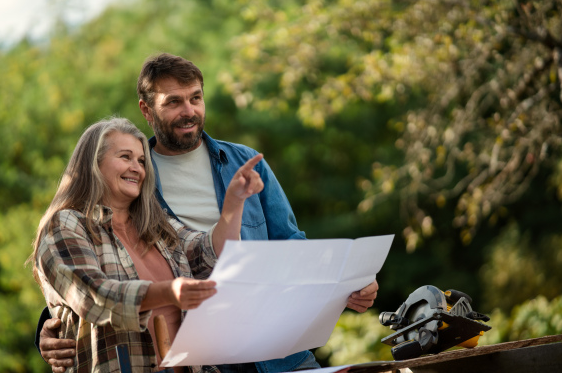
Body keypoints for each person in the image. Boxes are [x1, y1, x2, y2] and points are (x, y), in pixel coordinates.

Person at [38, 53, 380, 373]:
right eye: (173, 102)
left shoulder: (241, 164)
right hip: (207, 357)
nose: (188, 111)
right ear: (147, 110)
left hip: (277, 349)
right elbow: (92, 279)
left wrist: (345, 283)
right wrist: (52, 322)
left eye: (195, 98)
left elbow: (286, 246)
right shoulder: (136, 192)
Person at [31, 117, 264, 372]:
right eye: (125, 157)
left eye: (141, 161)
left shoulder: (157, 225)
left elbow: (210, 253)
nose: (137, 168)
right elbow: (93, 297)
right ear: (93, 164)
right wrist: (168, 291)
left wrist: (234, 202)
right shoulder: (66, 225)